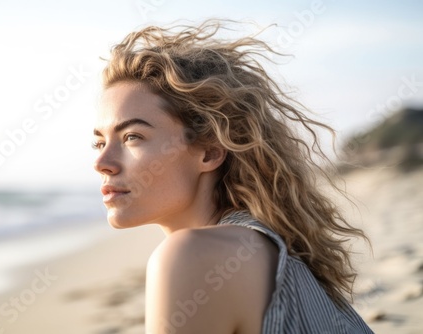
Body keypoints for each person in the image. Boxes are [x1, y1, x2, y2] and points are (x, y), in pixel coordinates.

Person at [92, 19, 373, 334]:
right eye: (99, 142)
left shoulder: (194, 257)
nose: (102, 162)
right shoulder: (263, 249)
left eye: (132, 137)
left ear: (210, 152)